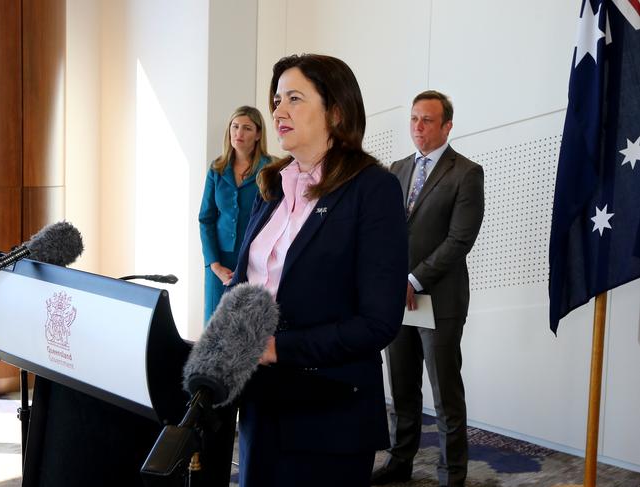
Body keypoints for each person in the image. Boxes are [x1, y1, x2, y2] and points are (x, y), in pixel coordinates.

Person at [227, 54, 408, 487]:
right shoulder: (271, 185)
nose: (278, 111)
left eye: (294, 98)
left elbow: (379, 322)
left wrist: (278, 349)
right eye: (276, 99)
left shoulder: (373, 189)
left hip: (329, 412)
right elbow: (245, 281)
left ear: (336, 111)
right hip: (261, 403)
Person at [371, 90, 484, 486]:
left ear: (447, 126)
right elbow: (384, 231)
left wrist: (413, 279)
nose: (418, 127)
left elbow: (459, 241)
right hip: (396, 300)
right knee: (402, 387)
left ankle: (452, 474)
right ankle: (400, 461)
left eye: (428, 120)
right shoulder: (398, 168)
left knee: (445, 393)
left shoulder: (466, 173)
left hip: (439, 298)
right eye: (414, 119)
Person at [198, 106, 272, 323]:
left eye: (247, 128)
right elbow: (206, 218)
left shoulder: (271, 169)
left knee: (247, 327)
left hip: (256, 261)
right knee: (214, 327)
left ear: (258, 134)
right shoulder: (217, 169)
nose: (239, 133)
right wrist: (214, 264)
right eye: (235, 126)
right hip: (219, 261)